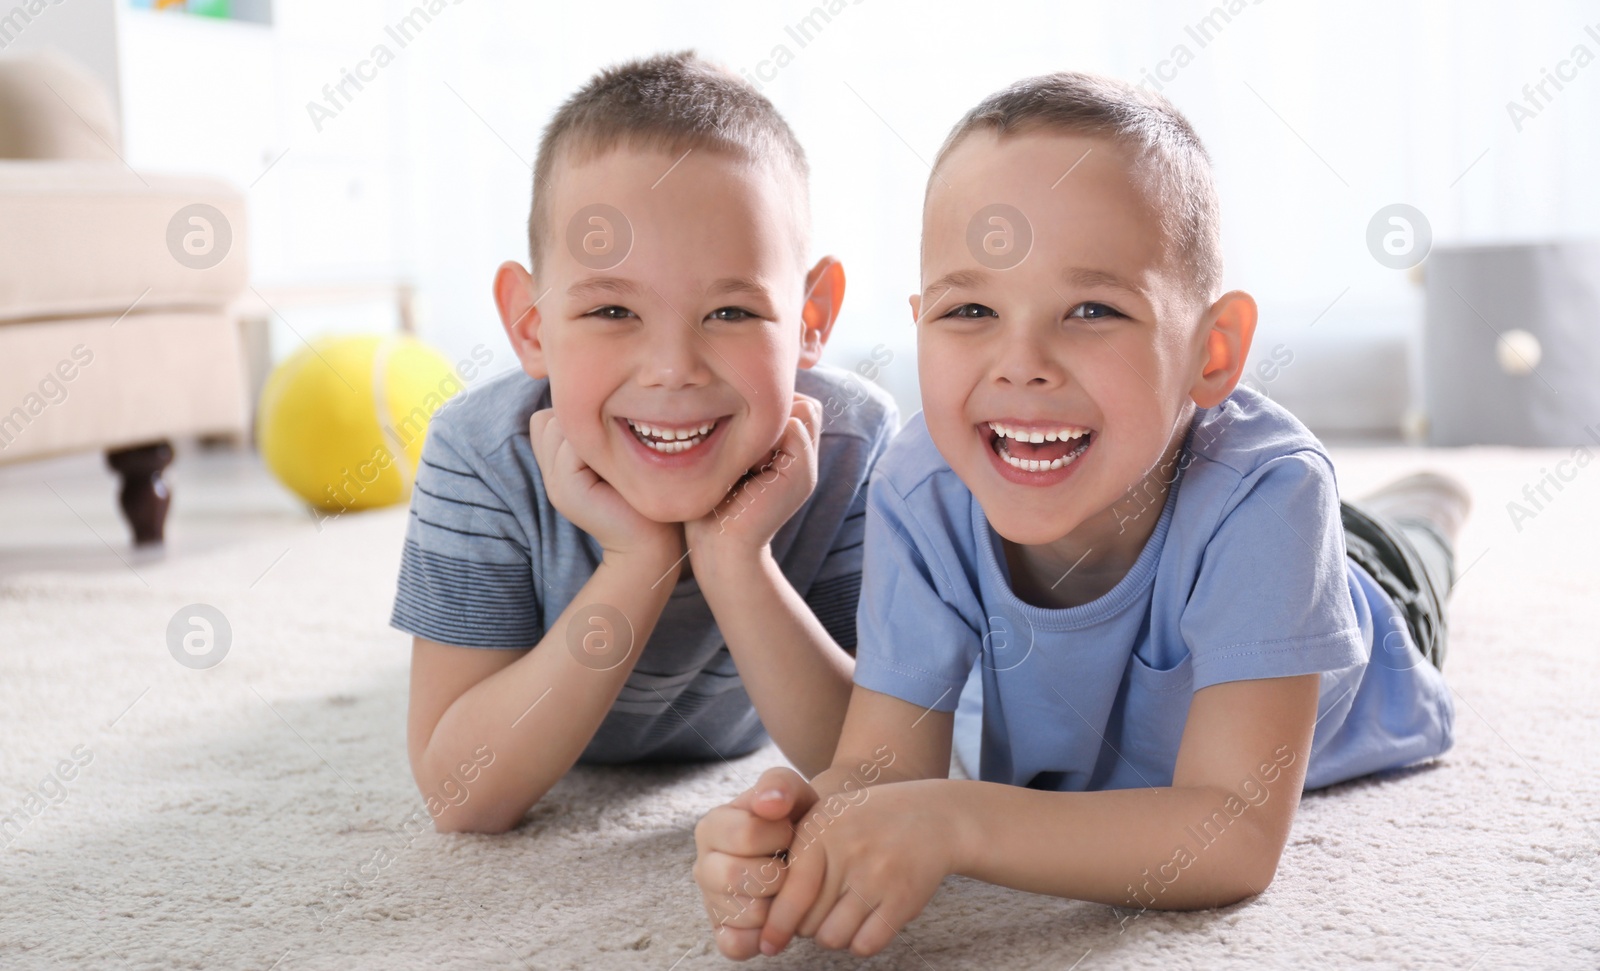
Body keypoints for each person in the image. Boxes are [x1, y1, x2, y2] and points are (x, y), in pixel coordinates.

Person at [691, 71, 1465, 959]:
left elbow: (1233, 836)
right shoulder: (922, 482)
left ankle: (1429, 505)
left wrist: (958, 823)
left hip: (1363, 601)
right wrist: (796, 836)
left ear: (1212, 352)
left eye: (1092, 309)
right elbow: (883, 774)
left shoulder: (1272, 494)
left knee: (1408, 547)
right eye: (970, 308)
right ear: (919, 323)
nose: (1021, 362)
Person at [392, 51, 897, 833]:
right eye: (611, 313)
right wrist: (637, 564)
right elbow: (463, 795)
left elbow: (873, 769)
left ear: (812, 317)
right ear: (531, 326)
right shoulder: (477, 452)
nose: (672, 370)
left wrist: (737, 559)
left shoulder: (852, 446)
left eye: (731, 313)